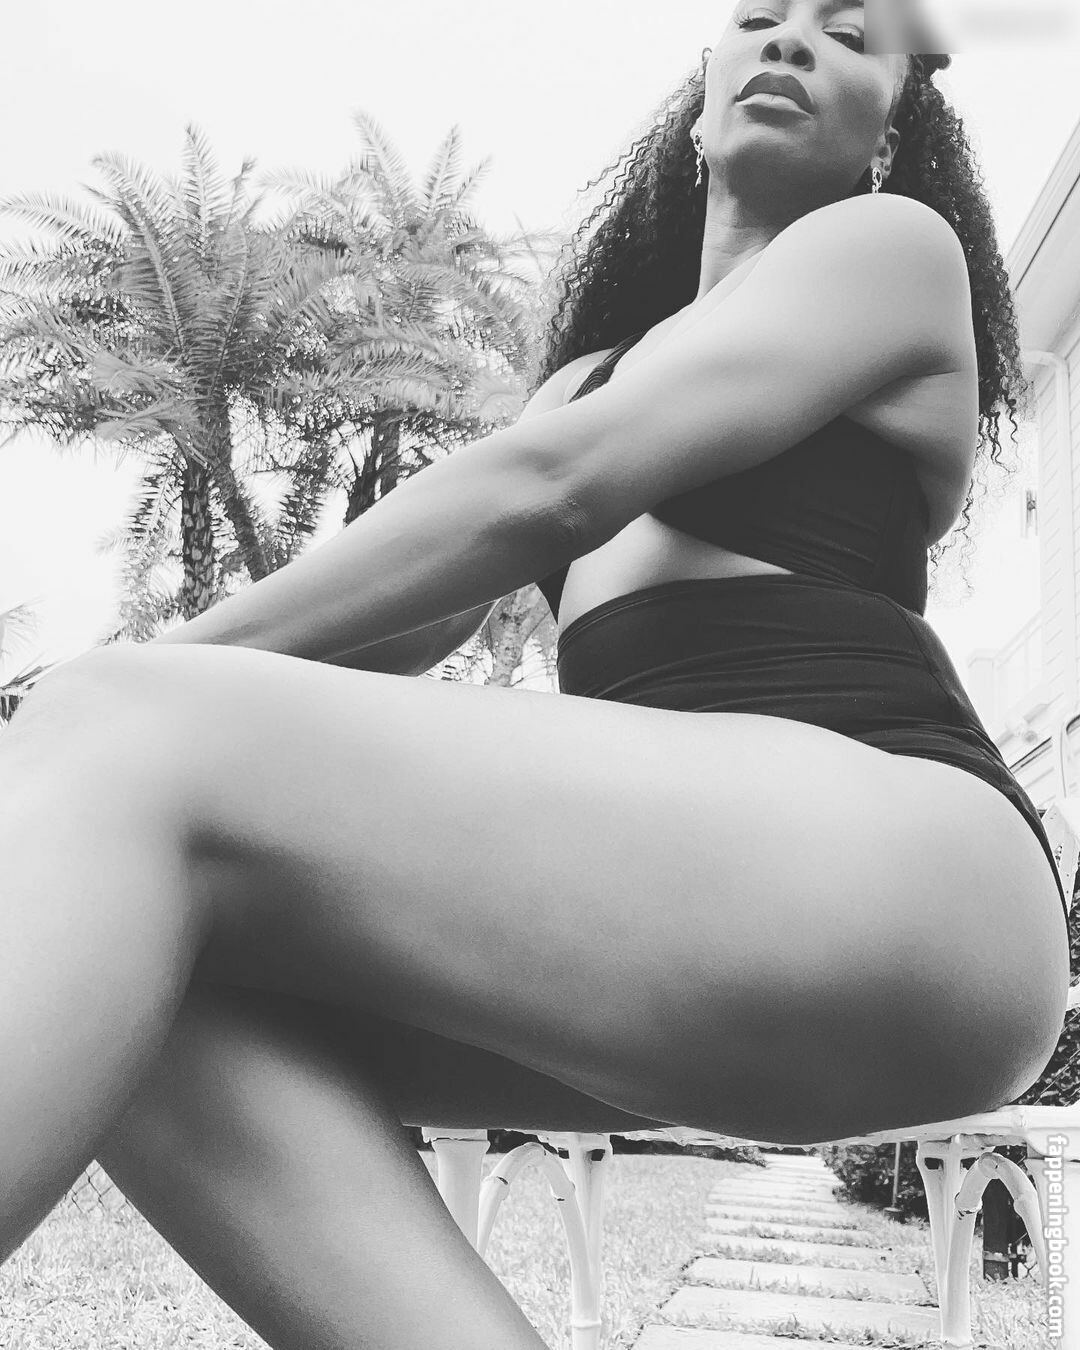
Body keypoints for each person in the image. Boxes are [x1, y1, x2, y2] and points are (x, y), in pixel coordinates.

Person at [0, 6, 1071, 1349]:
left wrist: (111, 692)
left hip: (906, 861)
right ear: (698, 108)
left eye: (848, 33)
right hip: (710, 916)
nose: (792, 41)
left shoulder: (890, 249)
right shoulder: (580, 386)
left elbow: (551, 492)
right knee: (143, 967)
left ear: (895, 131)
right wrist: (79, 745)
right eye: (757, 18)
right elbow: (405, 625)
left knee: (121, 720)